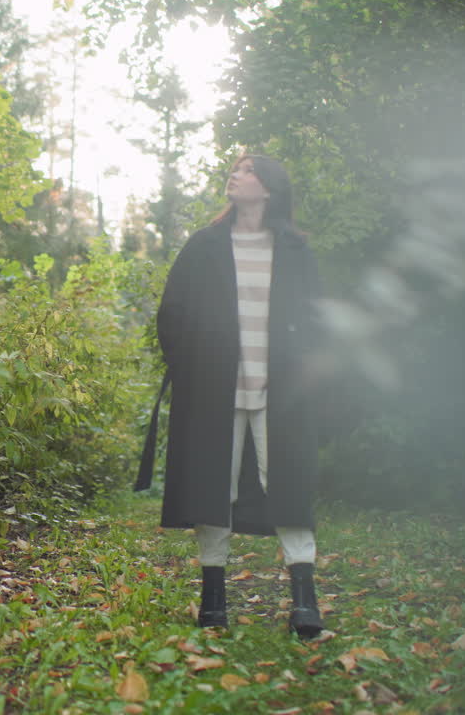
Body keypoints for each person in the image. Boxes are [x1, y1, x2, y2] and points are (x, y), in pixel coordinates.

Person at [136, 154, 325, 640]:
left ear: (268, 187)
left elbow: (317, 319)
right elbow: (172, 313)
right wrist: (194, 371)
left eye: (246, 170)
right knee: (212, 489)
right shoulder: (205, 246)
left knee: (288, 484)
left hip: (281, 391)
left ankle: (305, 600)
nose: (234, 174)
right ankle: (213, 600)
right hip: (213, 391)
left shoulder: (295, 251)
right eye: (235, 169)